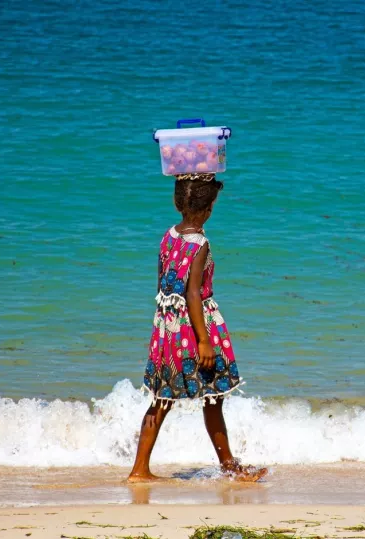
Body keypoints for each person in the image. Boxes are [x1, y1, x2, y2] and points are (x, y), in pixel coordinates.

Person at [127, 172, 267, 483]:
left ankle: (139, 469)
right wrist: (203, 341)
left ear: (179, 204)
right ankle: (229, 467)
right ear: (208, 209)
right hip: (195, 325)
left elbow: (162, 283)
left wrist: (166, 326)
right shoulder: (200, 243)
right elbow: (193, 292)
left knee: (162, 399)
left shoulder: (168, 235)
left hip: (167, 327)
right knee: (214, 395)